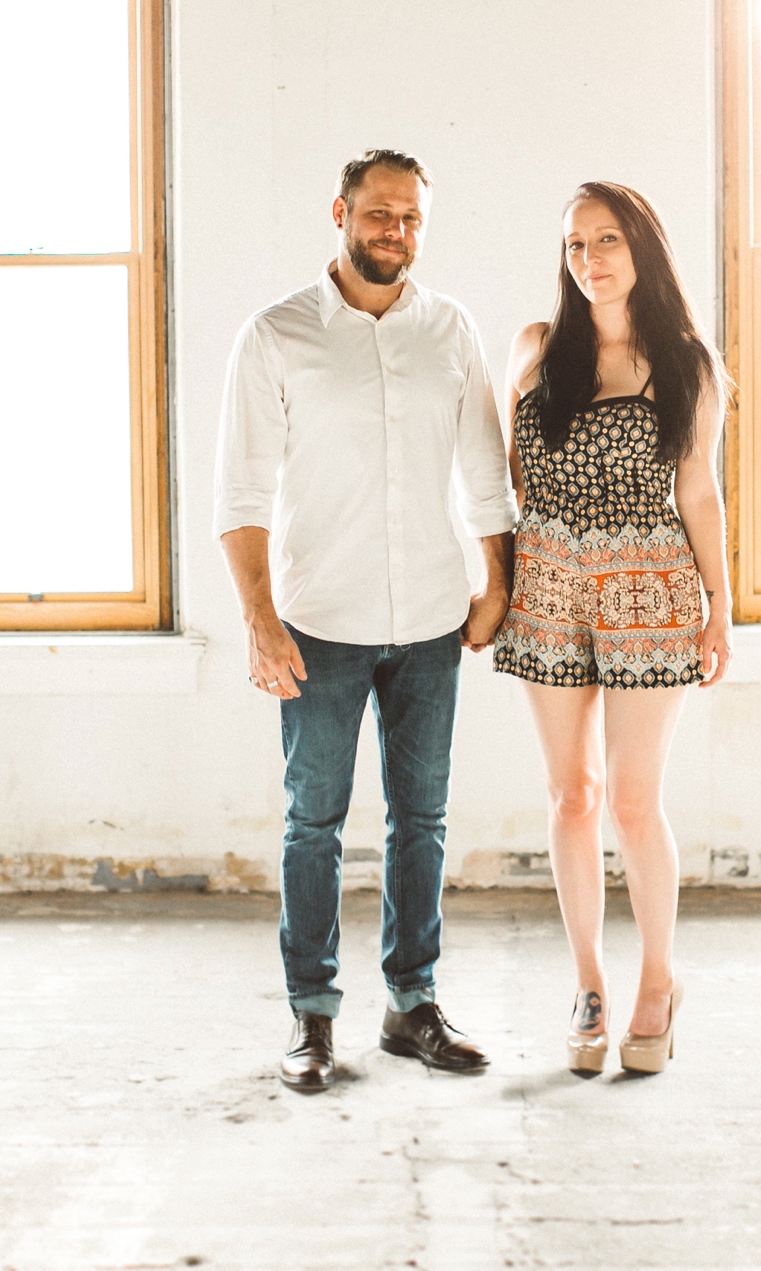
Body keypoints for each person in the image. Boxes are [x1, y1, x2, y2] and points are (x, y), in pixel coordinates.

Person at [214, 150, 516, 1092]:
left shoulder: (449, 329)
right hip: (319, 621)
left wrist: (495, 581)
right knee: (315, 823)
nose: (397, 234)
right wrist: (260, 621)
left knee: (420, 821)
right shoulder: (276, 335)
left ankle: (411, 1004)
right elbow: (240, 490)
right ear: (341, 212)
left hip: (430, 617)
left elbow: (484, 469)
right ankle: (312, 1019)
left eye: (413, 220)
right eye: (381, 215)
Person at [491, 182, 732, 1076]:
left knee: (633, 802)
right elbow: (500, 479)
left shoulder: (686, 362)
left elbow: (699, 492)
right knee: (572, 797)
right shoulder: (534, 348)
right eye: (574, 244)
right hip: (549, 585)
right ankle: (589, 981)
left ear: (642, 249)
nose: (589, 260)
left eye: (606, 241)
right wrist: (493, 582)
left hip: (652, 591)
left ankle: (658, 983)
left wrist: (722, 609)